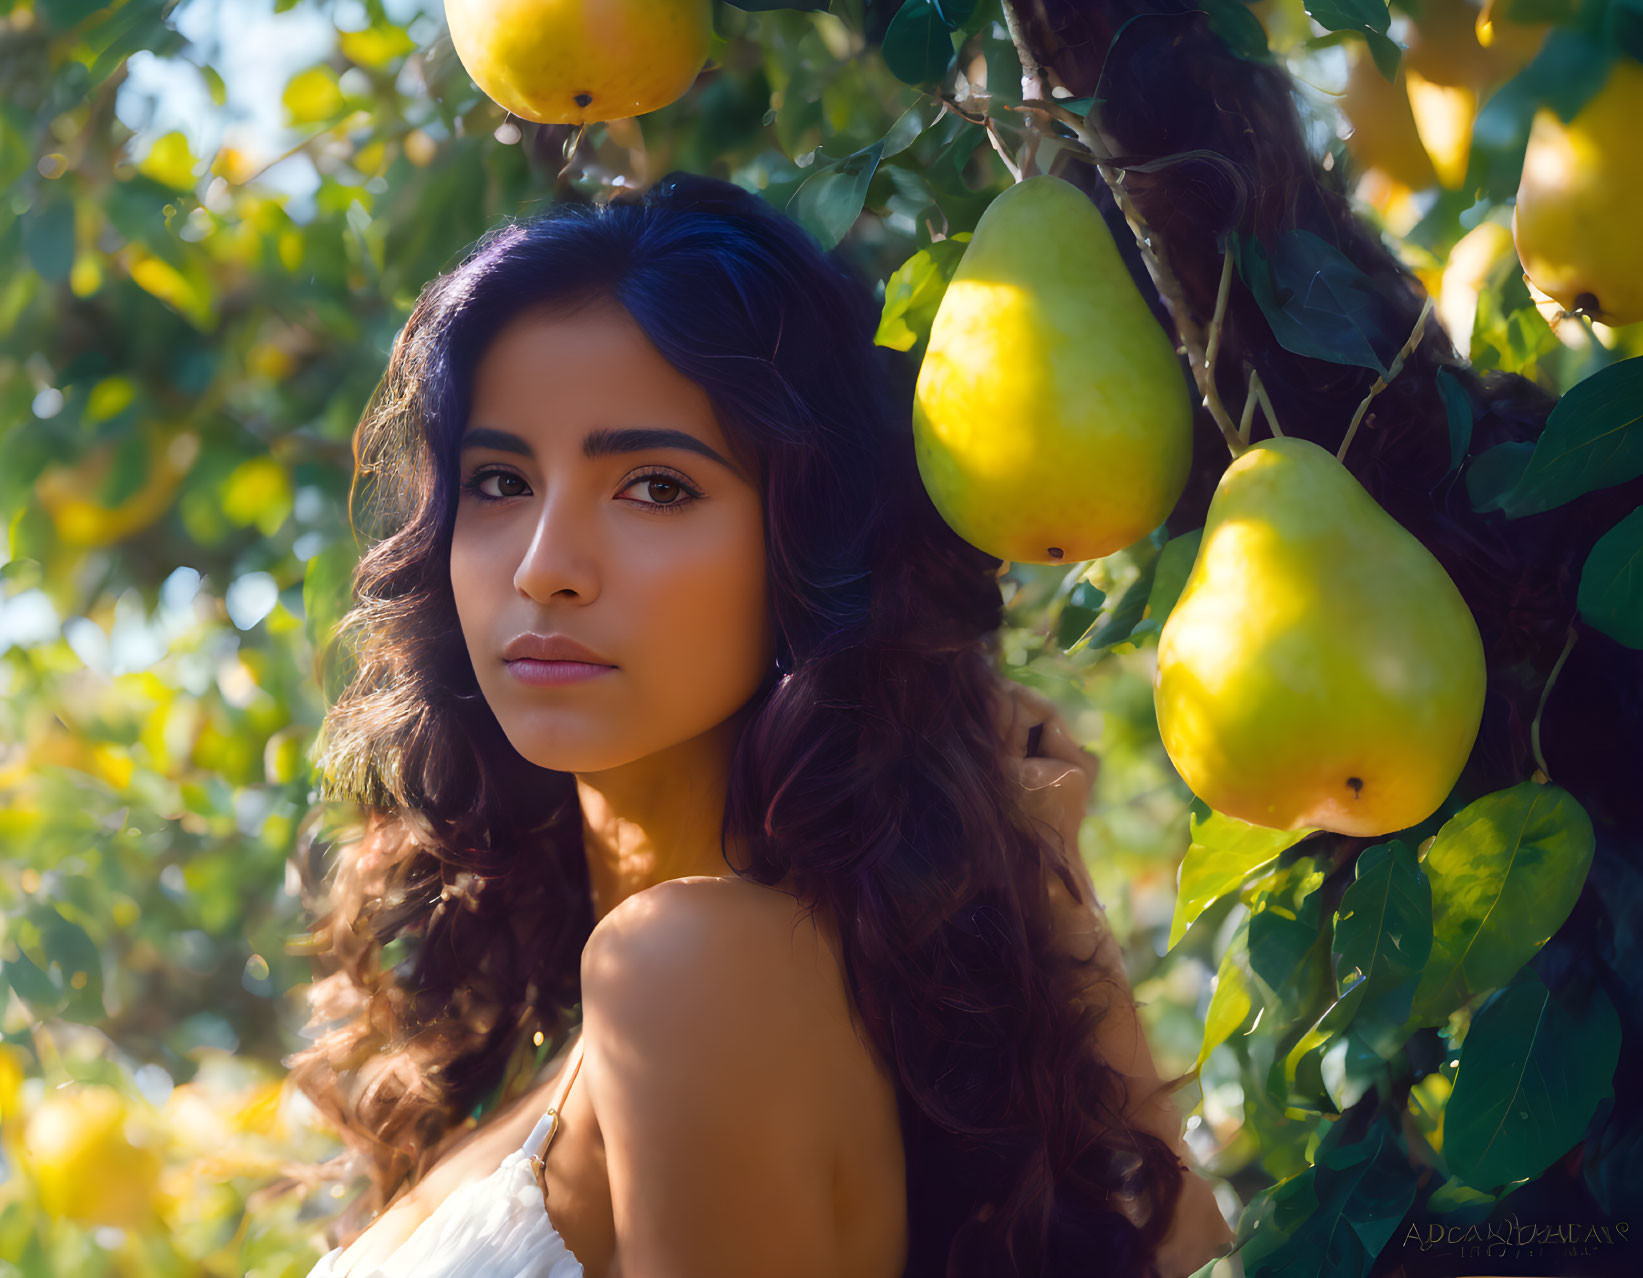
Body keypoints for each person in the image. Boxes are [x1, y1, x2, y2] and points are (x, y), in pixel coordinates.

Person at [281, 170, 1234, 1278]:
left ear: (809, 550)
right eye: (497, 482)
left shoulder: (686, 968)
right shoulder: (590, 1024)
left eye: (654, 486)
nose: (544, 568)